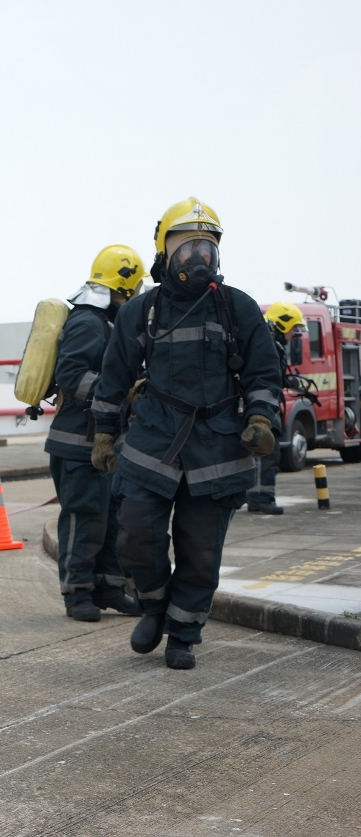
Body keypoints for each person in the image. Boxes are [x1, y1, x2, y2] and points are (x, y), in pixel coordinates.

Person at [92, 198, 280, 670]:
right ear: (165, 250)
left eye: (207, 247)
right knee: (135, 536)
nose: (198, 257)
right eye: (187, 247)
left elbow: (263, 373)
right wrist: (102, 433)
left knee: (200, 551)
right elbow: (114, 376)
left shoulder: (238, 309)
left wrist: (261, 420)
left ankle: (183, 633)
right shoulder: (142, 311)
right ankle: (154, 607)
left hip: (217, 447)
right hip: (153, 441)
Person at [45, 246, 145, 622]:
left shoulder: (109, 322)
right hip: (77, 445)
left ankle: (109, 587)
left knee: (112, 517)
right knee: (83, 518)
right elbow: (70, 375)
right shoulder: (88, 321)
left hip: (105, 444)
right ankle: (77, 594)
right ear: (126, 285)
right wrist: (117, 390)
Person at [246, 302, 304, 515]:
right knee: (266, 453)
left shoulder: (268, 344)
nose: (294, 333)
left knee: (263, 453)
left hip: (265, 404)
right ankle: (262, 499)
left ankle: (258, 498)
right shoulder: (269, 345)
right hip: (266, 408)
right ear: (282, 324)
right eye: (293, 328)